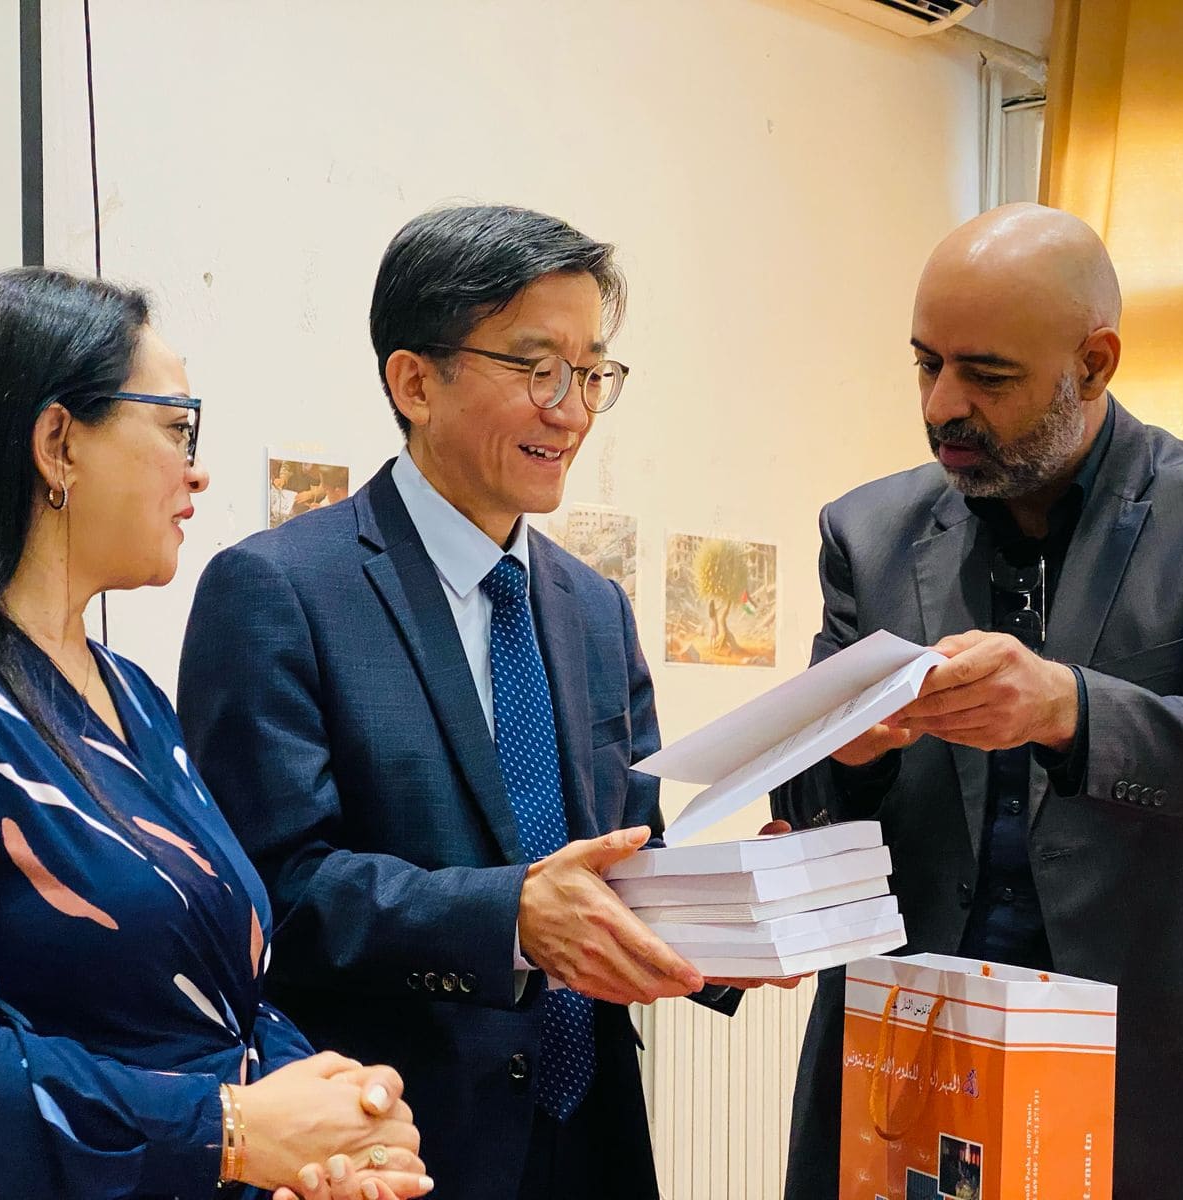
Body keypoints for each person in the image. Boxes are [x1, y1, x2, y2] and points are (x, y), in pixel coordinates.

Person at [0, 268, 428, 1200]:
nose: (197, 470)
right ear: (58, 444)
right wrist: (231, 1130)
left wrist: (337, 1118)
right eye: (177, 427)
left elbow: (215, 1003)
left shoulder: (133, 694)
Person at [772, 203, 1183, 1199]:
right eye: (925, 364)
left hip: (1177, 1067)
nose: (942, 406)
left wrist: (1068, 709)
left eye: (986, 375)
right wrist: (849, 754)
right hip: (926, 1065)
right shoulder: (867, 533)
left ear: (1092, 365)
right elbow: (807, 808)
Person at [179, 205, 764, 1200]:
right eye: (536, 369)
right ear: (415, 382)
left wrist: (732, 923)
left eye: (590, 373)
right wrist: (508, 918)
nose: (570, 412)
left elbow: (624, 854)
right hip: (396, 1141)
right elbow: (274, 890)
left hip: (595, 1138)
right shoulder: (279, 590)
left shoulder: (596, 608)